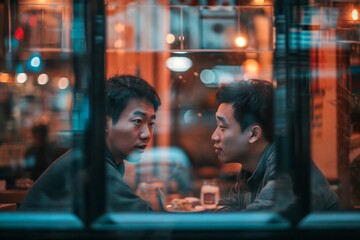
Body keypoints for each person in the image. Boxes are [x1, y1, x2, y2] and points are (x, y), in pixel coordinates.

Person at [19, 75, 161, 212]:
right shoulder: (93, 167)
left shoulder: (99, 158)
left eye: (151, 123)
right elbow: (145, 222)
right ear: (105, 122)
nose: (147, 134)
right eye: (138, 121)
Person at [211, 79, 339, 212]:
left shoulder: (288, 168)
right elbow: (227, 209)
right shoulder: (250, 170)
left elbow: (253, 223)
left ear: (254, 134)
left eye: (222, 127)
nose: (214, 136)